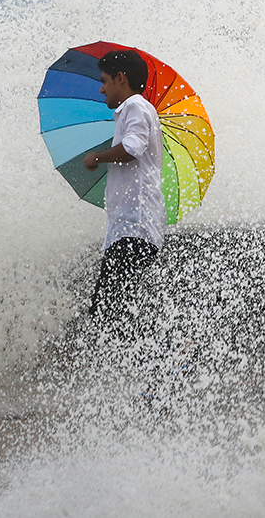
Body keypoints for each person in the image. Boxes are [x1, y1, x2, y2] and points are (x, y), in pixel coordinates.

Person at [83, 49, 166, 328]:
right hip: (130, 229)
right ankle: (136, 360)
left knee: (106, 310)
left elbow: (132, 148)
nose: (101, 88)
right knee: (113, 309)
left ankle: (141, 361)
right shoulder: (134, 111)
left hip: (134, 228)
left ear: (121, 78)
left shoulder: (135, 106)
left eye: (105, 80)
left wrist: (97, 156)